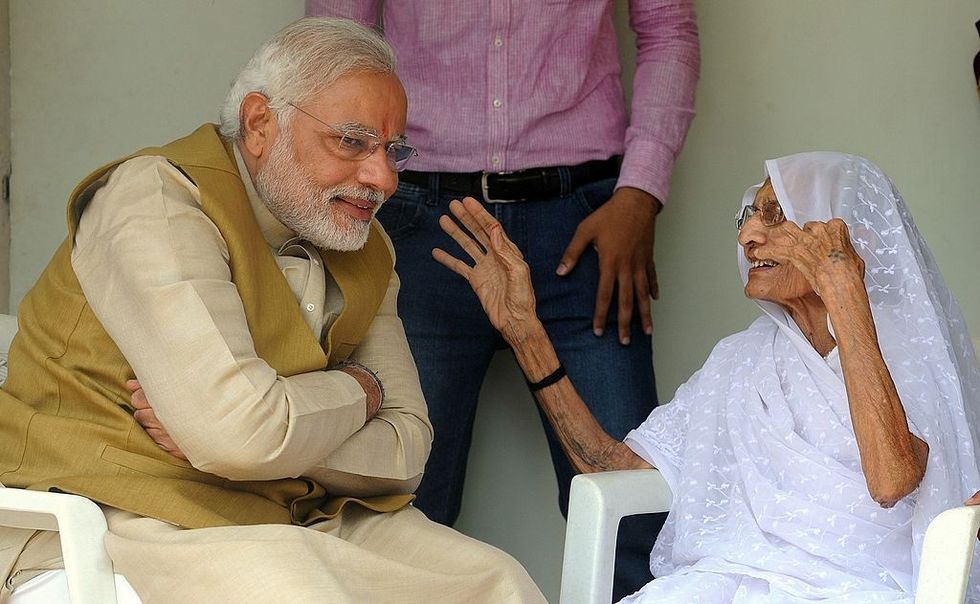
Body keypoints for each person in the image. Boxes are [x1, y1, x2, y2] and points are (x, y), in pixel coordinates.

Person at [0, 18, 545, 603]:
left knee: (495, 582)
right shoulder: (156, 199)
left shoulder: (366, 243)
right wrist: (359, 393)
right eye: (352, 141)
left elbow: (408, 449)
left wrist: (264, 437)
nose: (383, 178)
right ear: (260, 124)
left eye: (394, 150)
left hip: (292, 508)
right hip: (122, 509)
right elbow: (238, 434)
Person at [433, 151, 980, 602]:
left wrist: (844, 297)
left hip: (859, 589)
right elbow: (613, 466)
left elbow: (890, 480)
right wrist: (526, 333)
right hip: (728, 582)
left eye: (775, 216)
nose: (748, 238)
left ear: (844, 235)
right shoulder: (741, 360)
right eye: (747, 218)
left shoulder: (910, 349)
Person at [305, 1, 700, 596]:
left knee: (630, 503)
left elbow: (667, 26)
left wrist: (640, 193)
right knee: (398, 497)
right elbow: (334, 41)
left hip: (586, 226)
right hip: (417, 222)